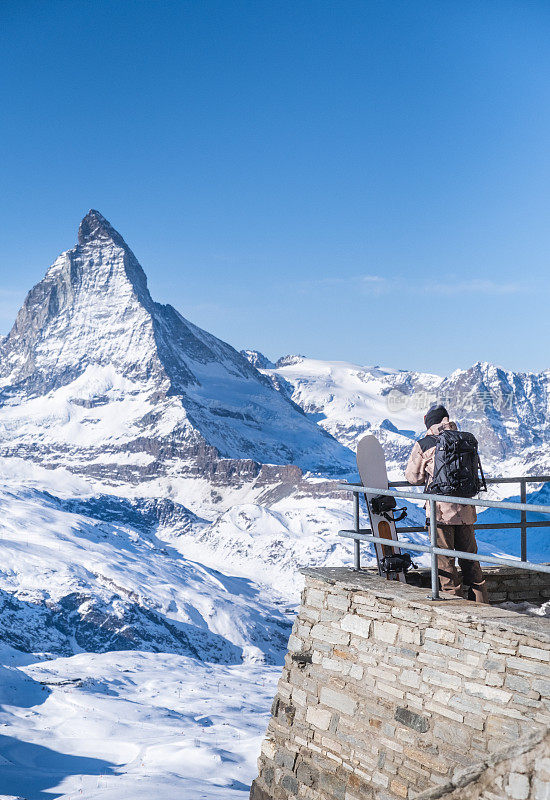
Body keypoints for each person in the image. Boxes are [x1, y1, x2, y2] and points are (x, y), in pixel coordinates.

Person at [405, 404, 488, 603]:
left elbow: (413, 477)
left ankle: (454, 604)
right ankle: (482, 602)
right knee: (470, 559)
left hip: (440, 512)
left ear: (429, 423)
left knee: (445, 561)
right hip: (466, 509)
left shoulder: (425, 443)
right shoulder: (464, 439)